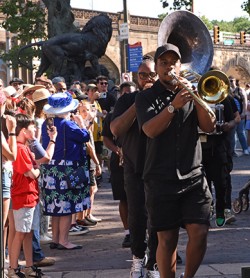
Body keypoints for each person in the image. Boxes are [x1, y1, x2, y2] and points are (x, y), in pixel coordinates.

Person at [135, 44, 215, 278]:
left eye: (173, 62)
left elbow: (209, 127)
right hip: (160, 178)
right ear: (157, 67)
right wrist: (173, 106)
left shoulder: (191, 91)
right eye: (164, 63)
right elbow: (149, 130)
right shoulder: (146, 97)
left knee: (199, 232)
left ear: (181, 66)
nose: (169, 67)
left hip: (193, 175)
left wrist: (198, 98)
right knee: (167, 239)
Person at [111, 56, 159, 278]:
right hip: (134, 165)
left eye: (151, 74)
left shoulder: (166, 97)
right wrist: (138, 102)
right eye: (143, 75)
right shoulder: (127, 99)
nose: (147, 79)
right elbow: (116, 129)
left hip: (161, 167)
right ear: (137, 77)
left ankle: (156, 262)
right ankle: (138, 259)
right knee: (137, 216)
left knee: (159, 216)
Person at [41, 91, 90, 250]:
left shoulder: (46, 123)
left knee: (56, 207)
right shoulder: (68, 124)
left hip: (50, 168)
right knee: (67, 206)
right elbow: (84, 137)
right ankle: (64, 240)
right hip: (67, 168)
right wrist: (82, 123)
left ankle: (56, 239)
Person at [8, 113, 45, 278]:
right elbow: (31, 173)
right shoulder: (21, 148)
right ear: (23, 130)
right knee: (20, 233)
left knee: (28, 232)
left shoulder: (23, 147)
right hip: (24, 196)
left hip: (30, 196)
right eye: (32, 128)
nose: (35, 130)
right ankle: (13, 268)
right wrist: (38, 170)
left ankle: (29, 266)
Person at [102, 81, 136, 249]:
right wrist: (116, 150)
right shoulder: (113, 114)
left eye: (131, 93)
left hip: (140, 160)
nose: (127, 96)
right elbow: (106, 137)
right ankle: (128, 232)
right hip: (121, 160)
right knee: (124, 198)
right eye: (125, 94)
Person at [229, 76, 249, 155]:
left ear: (235, 81)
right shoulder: (228, 90)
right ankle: (232, 151)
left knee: (241, 133)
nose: (230, 82)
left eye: (232, 80)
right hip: (232, 116)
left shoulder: (240, 90)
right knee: (232, 134)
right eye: (229, 81)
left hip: (240, 115)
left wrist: (244, 112)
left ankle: (245, 149)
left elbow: (245, 101)